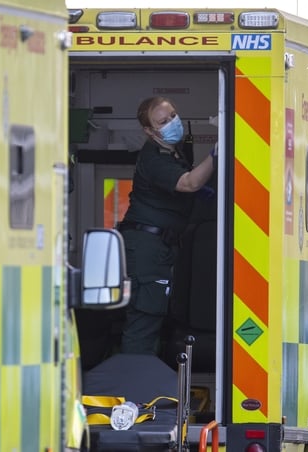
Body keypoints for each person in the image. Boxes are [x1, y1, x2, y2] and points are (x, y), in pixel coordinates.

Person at [116, 96, 217, 355]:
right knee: (144, 320)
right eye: (163, 121)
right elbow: (188, 183)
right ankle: (134, 390)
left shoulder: (174, 150)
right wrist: (216, 154)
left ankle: (145, 386)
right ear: (150, 131)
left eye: (173, 114)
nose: (172, 122)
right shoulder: (153, 157)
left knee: (158, 318)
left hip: (161, 247)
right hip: (147, 250)